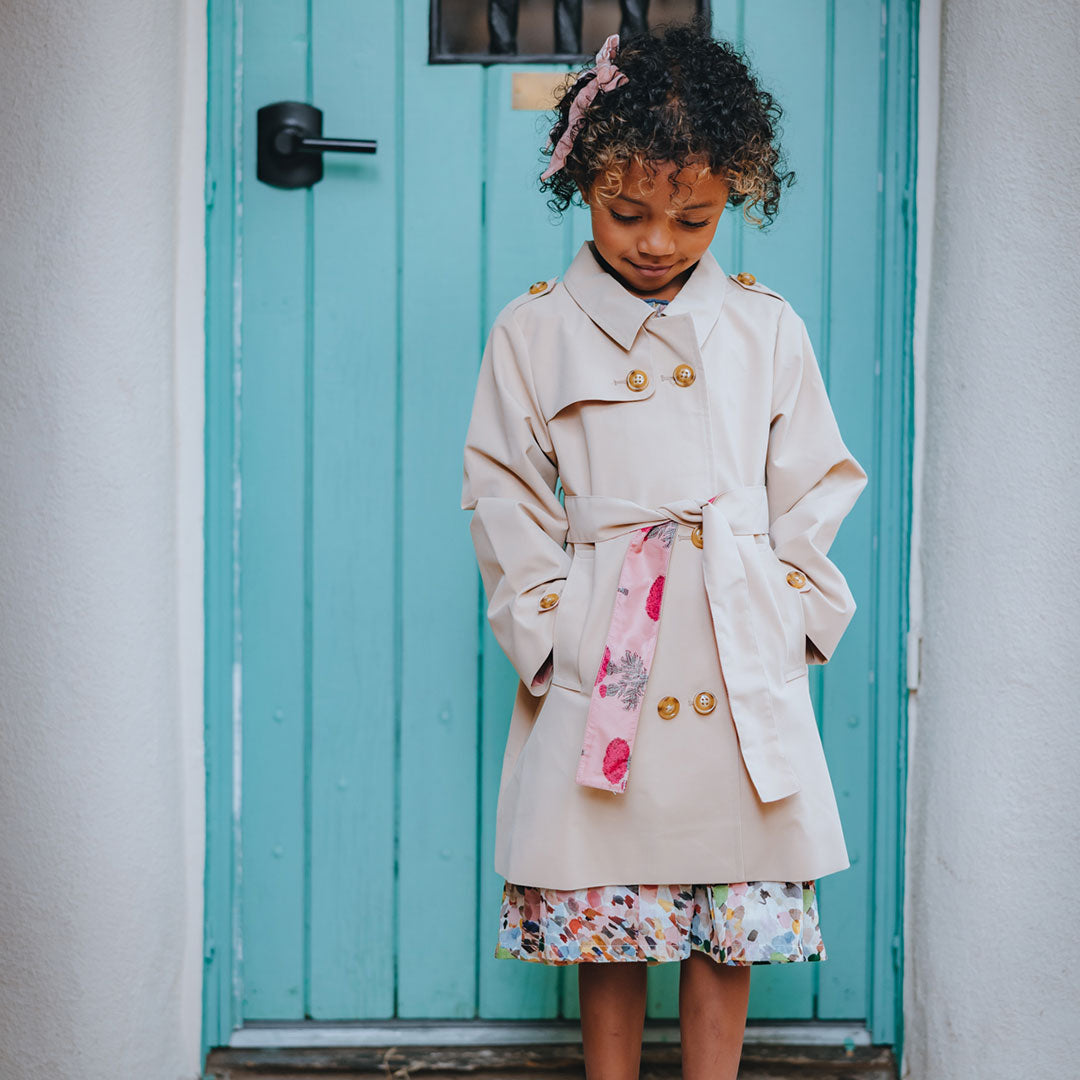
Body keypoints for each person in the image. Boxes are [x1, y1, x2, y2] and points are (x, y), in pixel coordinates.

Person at [459, 19, 868, 1080]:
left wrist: (792, 608)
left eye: (693, 218)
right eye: (626, 211)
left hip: (735, 645)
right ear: (582, 186)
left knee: (729, 906)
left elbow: (817, 480)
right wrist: (550, 626)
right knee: (609, 906)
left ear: (734, 194)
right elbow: (503, 494)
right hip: (608, 650)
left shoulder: (766, 328)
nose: (656, 242)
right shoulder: (534, 331)